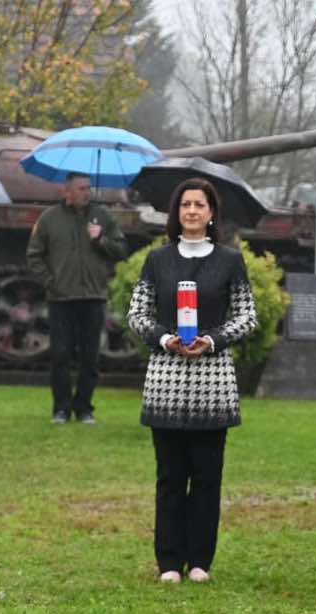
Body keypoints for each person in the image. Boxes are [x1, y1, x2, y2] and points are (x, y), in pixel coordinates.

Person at [125, 178, 258, 584]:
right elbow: (137, 314)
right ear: (176, 212)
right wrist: (165, 339)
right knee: (169, 477)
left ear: (211, 212)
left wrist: (213, 340)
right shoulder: (157, 260)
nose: (192, 211)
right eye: (185, 204)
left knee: (206, 478)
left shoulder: (230, 261)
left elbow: (247, 316)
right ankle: (168, 561)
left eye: (200, 204)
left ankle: (200, 559)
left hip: (213, 384)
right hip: (166, 382)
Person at [26, 172, 127, 424]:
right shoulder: (49, 218)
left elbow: (121, 250)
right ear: (67, 192)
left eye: (88, 188)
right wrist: (51, 282)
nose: (86, 193)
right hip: (61, 299)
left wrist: (100, 239)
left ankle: (84, 408)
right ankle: (61, 409)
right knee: (60, 355)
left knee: (90, 357)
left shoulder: (103, 216)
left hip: (93, 296)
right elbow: (34, 255)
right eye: (81, 188)